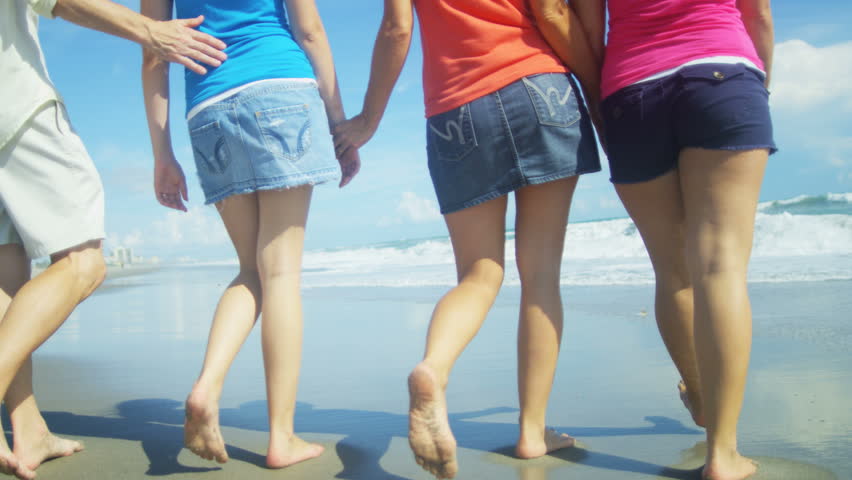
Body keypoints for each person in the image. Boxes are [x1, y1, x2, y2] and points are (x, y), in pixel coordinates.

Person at [333, 1, 600, 478]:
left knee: (479, 274)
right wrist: (595, 84)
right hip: (539, 86)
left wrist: (368, 119)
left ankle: (434, 368)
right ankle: (533, 433)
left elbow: (397, 29)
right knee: (540, 276)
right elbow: (553, 10)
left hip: (456, 109)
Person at [0, 1, 227, 478]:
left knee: (7, 267)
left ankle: (29, 427)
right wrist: (149, 30)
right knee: (84, 261)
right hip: (13, 99)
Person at [140, 0, 360, 469]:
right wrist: (339, 122)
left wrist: (162, 153)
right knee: (279, 273)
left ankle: (207, 386)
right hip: (278, 84)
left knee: (251, 270)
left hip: (208, 107)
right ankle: (281, 437)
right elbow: (311, 29)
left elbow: (154, 52)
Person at [574, 1, 775, 479]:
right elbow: (759, 14)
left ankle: (701, 396)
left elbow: (585, 33)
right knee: (720, 266)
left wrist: (604, 104)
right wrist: (759, 84)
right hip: (723, 72)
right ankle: (723, 455)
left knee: (672, 268)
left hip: (630, 92)